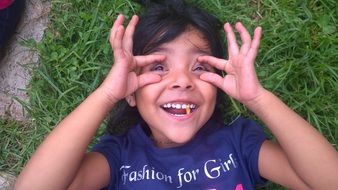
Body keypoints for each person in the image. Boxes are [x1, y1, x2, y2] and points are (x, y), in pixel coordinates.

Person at [14, 0, 338, 189]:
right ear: (130, 91)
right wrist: (105, 95)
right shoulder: (118, 157)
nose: (181, 80)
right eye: (157, 66)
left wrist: (258, 99)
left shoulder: (239, 143)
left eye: (199, 67)